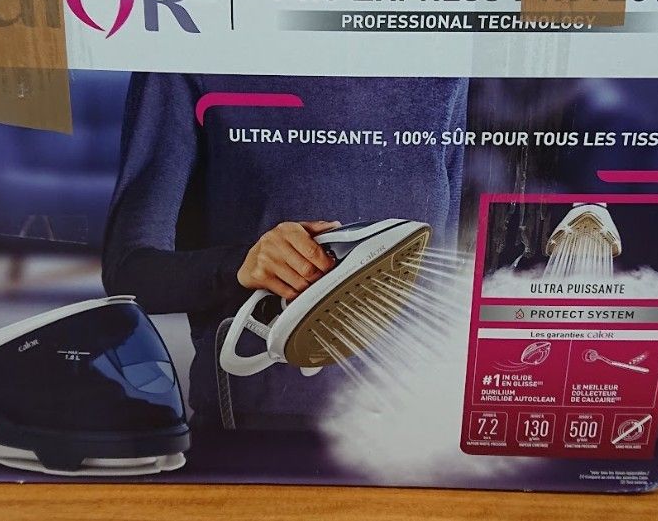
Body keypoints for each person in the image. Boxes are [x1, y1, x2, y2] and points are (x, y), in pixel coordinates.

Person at [102, 73, 467, 431]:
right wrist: (242, 265)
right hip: (258, 432)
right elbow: (129, 271)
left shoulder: (444, 68)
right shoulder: (191, 59)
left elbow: (444, 275)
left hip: (410, 427)